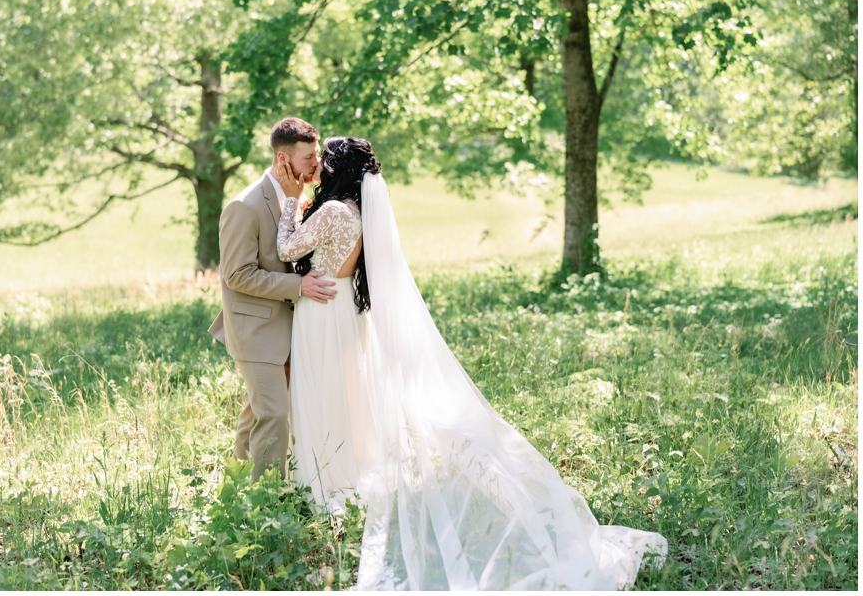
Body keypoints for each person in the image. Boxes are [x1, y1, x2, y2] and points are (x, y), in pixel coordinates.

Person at [274, 136, 668, 590]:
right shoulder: (358, 212)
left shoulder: (331, 211)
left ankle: (325, 492)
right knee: (344, 397)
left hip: (322, 315)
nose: (318, 163)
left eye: (325, 157)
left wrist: (289, 201)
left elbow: (288, 251)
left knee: (323, 396)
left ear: (339, 167)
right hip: (344, 310)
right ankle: (341, 487)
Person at [208, 117, 337, 481]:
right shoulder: (245, 206)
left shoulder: (295, 199)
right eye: (309, 158)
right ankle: (269, 502)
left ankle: (237, 486)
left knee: (256, 413)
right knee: (275, 415)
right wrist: (297, 287)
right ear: (283, 161)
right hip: (257, 331)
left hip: (286, 329)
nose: (318, 164)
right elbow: (236, 274)